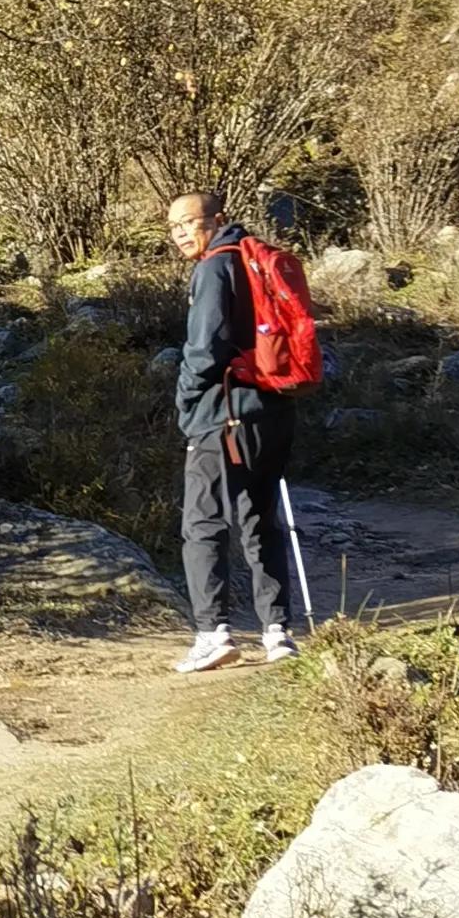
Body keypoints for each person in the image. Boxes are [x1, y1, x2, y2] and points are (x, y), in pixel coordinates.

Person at [167, 186, 297, 674]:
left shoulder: (215, 266)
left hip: (223, 414)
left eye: (189, 223)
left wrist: (186, 404)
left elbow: (204, 349)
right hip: (274, 409)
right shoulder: (256, 258)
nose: (181, 233)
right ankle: (277, 631)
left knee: (202, 523)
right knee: (260, 519)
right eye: (174, 227)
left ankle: (212, 632)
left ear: (215, 220)